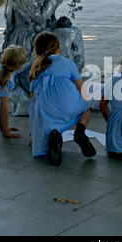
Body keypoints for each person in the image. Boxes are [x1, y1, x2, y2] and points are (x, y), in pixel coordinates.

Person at [29, 32, 96, 166]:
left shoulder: (36, 68)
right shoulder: (68, 63)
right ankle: (80, 132)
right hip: (68, 106)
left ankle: (54, 137)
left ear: (36, 49)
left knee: (45, 118)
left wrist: (34, 135)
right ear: (58, 48)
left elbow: (33, 102)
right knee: (86, 108)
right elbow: (81, 88)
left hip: (46, 113)